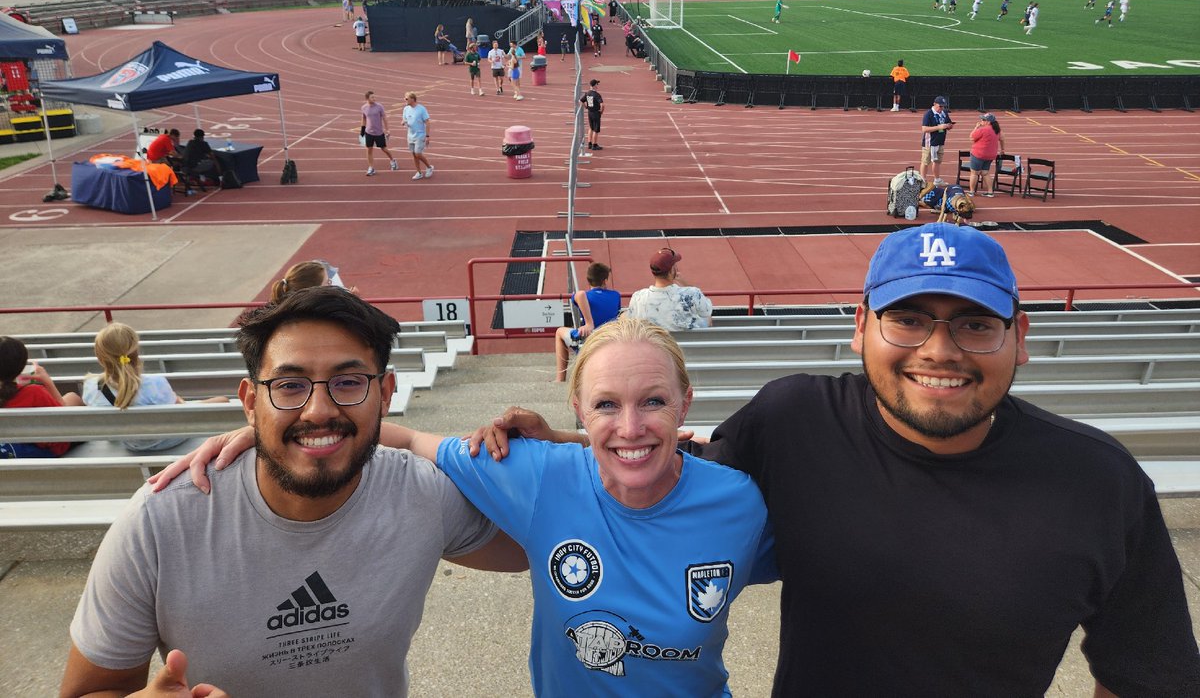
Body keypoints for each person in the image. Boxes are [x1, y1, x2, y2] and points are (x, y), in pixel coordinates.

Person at [476, 224, 1200, 697]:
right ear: (861, 328)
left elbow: (1149, 676)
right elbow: (671, 478)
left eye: (976, 324)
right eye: (909, 319)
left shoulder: (1098, 483)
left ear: (1021, 336)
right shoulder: (794, 420)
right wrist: (577, 441)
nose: (940, 350)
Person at [154, 315, 776, 696]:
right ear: (578, 411)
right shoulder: (537, 473)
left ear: (686, 404)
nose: (631, 426)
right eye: (607, 404)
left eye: (655, 403)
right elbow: (406, 438)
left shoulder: (740, 503)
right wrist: (275, 437)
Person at [61, 288, 525, 697]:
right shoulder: (160, 522)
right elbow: (93, 689)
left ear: (385, 394)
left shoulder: (423, 494)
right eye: (289, 386)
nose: (318, 410)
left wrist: (574, 444)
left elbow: (549, 545)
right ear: (250, 402)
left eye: (348, 382)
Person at [79, 323, 228, 451]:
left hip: (132, 444)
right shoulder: (154, 383)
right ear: (135, 352)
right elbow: (178, 413)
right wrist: (180, 402)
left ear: (100, 358)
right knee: (223, 400)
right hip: (169, 440)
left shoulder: (91, 386)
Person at [0, 336, 82, 459]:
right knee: (74, 399)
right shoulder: (34, 392)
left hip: (8, 446)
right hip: (41, 449)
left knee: (72, 398)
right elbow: (64, 420)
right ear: (21, 365)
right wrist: (48, 382)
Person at [553, 262, 621, 381]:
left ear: (589, 280)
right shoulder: (616, 295)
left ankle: (560, 379)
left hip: (589, 339)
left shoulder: (585, 295)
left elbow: (579, 295)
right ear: (605, 281)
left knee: (559, 332)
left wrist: (589, 323)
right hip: (611, 338)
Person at [627, 248, 712, 331]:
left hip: (654, 344)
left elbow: (630, 322)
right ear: (672, 271)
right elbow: (706, 312)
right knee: (707, 317)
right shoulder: (692, 293)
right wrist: (685, 284)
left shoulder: (638, 297)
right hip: (687, 344)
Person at [360, 90, 398, 176]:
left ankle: (393, 160)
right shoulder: (364, 108)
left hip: (379, 132)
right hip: (368, 132)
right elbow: (363, 118)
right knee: (369, 149)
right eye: (372, 97)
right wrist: (362, 130)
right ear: (367, 98)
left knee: (384, 148)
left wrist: (387, 129)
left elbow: (384, 118)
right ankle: (371, 168)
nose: (374, 98)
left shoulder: (379, 106)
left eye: (374, 97)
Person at [919, 95, 954, 184]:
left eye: (943, 106)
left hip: (940, 141)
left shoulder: (944, 113)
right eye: (940, 106)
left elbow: (948, 122)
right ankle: (922, 179)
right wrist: (939, 127)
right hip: (930, 142)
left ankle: (937, 179)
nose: (941, 108)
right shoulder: (929, 114)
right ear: (934, 104)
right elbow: (924, 129)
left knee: (937, 161)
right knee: (925, 161)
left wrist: (949, 126)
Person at [968, 112, 1002, 197]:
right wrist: (1003, 149)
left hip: (979, 154)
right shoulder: (997, 130)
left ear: (988, 122)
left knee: (974, 173)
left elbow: (971, 137)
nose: (981, 121)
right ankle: (990, 191)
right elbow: (1002, 138)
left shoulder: (983, 129)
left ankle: (971, 191)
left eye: (983, 120)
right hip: (990, 155)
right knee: (985, 173)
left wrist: (976, 127)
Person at [402, 91, 433, 180]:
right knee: (414, 154)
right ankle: (419, 172)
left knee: (418, 154)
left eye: (407, 98)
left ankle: (429, 167)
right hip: (410, 135)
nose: (405, 100)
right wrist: (404, 122)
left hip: (420, 135)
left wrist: (427, 136)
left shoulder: (421, 109)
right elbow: (404, 119)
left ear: (412, 99)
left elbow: (427, 122)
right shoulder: (406, 109)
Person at [580, 78, 603, 151]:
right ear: (594, 86)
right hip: (596, 112)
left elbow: (581, 101)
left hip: (590, 112)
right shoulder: (597, 95)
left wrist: (586, 106)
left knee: (591, 128)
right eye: (597, 84)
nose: (598, 86)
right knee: (596, 130)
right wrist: (601, 111)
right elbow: (602, 105)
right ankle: (594, 144)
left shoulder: (587, 93)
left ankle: (589, 143)